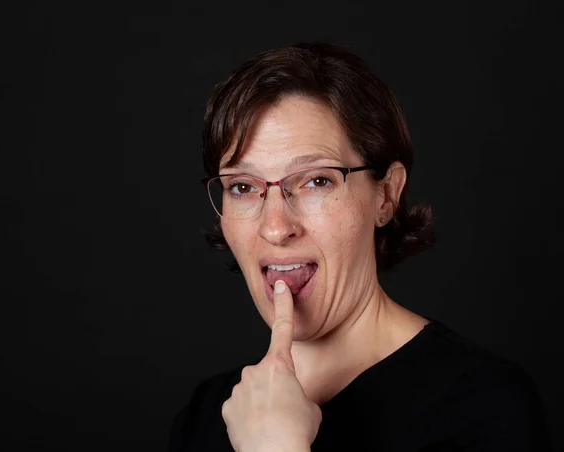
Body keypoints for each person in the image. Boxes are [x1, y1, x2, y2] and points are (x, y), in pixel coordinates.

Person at [168, 42, 551, 451]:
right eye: (243, 187)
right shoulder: (210, 413)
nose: (276, 228)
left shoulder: (483, 407)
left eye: (316, 180)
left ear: (386, 195)